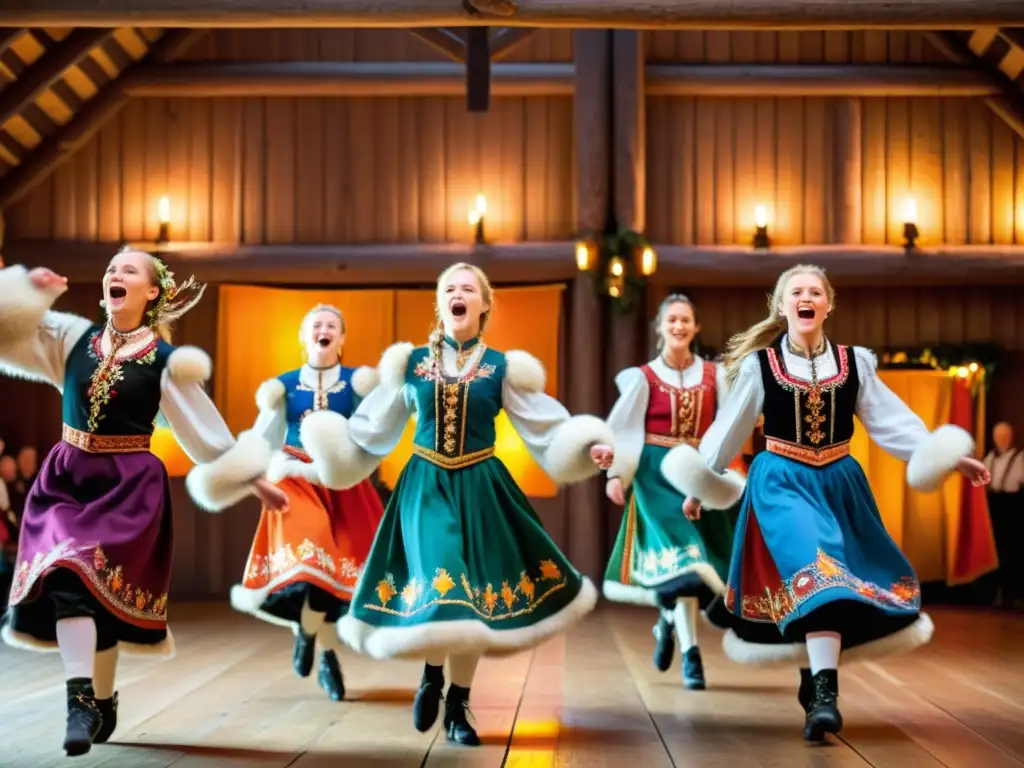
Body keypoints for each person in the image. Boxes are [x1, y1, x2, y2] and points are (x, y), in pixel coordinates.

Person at [661, 264, 990, 742]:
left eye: (815, 291)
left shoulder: (855, 362)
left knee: (834, 582)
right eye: (796, 291)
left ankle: (813, 680)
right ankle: (827, 695)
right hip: (780, 484)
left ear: (828, 305)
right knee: (819, 571)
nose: (806, 297)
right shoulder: (760, 366)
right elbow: (729, 430)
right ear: (782, 306)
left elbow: (892, 423)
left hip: (839, 483)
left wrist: (951, 458)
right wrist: (700, 485)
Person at [298, 262, 614, 746]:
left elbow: (544, 425)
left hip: (483, 488)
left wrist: (587, 445)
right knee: (443, 575)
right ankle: (431, 675)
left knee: (477, 599)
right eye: (450, 288)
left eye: (468, 289)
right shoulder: (409, 365)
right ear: (440, 303)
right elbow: (372, 427)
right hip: (425, 487)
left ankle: (456, 702)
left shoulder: (502, 367)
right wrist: (332, 449)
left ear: (483, 305)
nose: (458, 294)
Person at [0, 251, 287, 756]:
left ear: (152, 292)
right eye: (111, 267)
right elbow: (8, 333)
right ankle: (80, 702)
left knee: (100, 595)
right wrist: (31, 292)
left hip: (128, 487)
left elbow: (204, 430)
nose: (115, 274)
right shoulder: (71, 338)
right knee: (67, 576)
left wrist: (252, 476)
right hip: (67, 478)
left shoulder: (164, 362)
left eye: (129, 270)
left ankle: (101, 700)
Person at [230, 304, 385, 700]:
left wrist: (360, 461)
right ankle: (310, 638)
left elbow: (370, 434)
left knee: (336, 581)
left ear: (342, 338)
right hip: (296, 482)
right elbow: (262, 436)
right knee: (313, 557)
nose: (324, 328)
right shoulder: (282, 386)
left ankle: (319, 646)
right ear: (305, 336)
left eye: (332, 324)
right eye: (316, 324)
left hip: (344, 483)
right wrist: (259, 471)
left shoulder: (358, 384)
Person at [602, 294, 737, 690]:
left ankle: (666, 624)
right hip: (655, 476)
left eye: (685, 320)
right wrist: (616, 474)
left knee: (694, 568)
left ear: (695, 328)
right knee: (685, 559)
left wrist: (727, 475)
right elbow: (625, 430)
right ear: (660, 328)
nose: (678, 326)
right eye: (671, 320)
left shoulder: (715, 376)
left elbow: (726, 428)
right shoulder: (642, 377)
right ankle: (692, 658)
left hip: (697, 473)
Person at [983, 421, 1023, 608]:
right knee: (995, 552)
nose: (1002, 440)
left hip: (1013, 509)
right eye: (999, 436)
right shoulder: (990, 457)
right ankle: (996, 593)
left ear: (1011, 437)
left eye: (1005, 436)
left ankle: (1013, 594)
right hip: (993, 508)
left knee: (1013, 553)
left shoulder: (1021, 457)